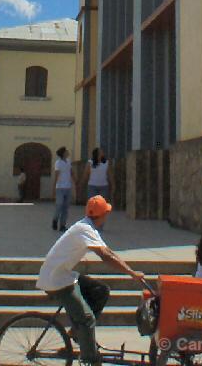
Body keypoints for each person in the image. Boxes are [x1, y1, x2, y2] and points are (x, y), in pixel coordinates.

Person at [37, 195, 145, 366]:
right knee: (87, 319)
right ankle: (90, 360)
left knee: (101, 290)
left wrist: (130, 270)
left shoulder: (87, 227)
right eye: (106, 214)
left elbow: (107, 251)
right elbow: (105, 256)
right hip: (56, 280)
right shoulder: (85, 229)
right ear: (102, 215)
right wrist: (131, 272)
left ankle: (76, 332)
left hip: (64, 274)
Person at [52, 147, 76, 232]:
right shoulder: (58, 163)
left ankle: (62, 225)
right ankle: (55, 219)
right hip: (60, 187)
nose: (68, 152)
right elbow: (56, 175)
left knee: (66, 207)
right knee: (59, 205)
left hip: (68, 187)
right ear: (63, 153)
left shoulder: (68, 161)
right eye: (66, 151)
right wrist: (54, 187)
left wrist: (74, 181)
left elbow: (71, 172)